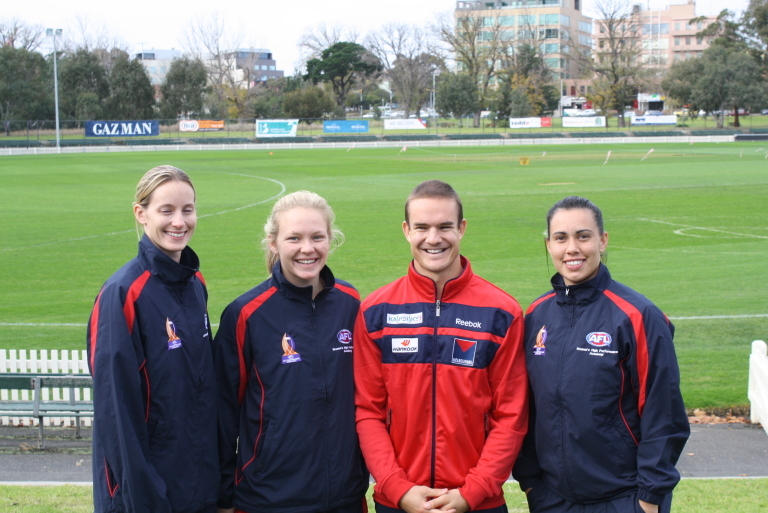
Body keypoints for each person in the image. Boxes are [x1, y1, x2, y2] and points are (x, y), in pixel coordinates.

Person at [354, 180, 528, 513]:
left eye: (444, 226)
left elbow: (511, 416)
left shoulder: (501, 312)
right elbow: (368, 412)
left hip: (478, 502)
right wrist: (397, 488)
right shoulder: (376, 311)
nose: (433, 238)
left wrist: (472, 492)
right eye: (422, 227)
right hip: (399, 501)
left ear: (461, 228)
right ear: (406, 230)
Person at [513, 196, 690, 513]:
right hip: (551, 498)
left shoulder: (637, 315)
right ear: (549, 245)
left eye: (583, 236)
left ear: (602, 241)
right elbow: (526, 405)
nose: (572, 249)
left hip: (624, 498)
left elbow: (664, 414)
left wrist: (649, 498)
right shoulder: (536, 315)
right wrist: (530, 481)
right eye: (561, 238)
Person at [214, 191, 368, 513]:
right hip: (268, 500)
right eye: (294, 238)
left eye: (317, 237)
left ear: (331, 239)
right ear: (274, 242)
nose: (307, 249)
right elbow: (222, 414)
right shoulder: (245, 314)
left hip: (345, 498)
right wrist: (224, 498)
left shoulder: (351, 303)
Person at [86, 165, 219, 513]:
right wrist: (144, 498)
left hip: (196, 486)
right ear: (140, 214)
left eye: (187, 210)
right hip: (145, 496)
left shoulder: (195, 283)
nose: (179, 222)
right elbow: (116, 413)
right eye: (166, 211)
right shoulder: (123, 293)